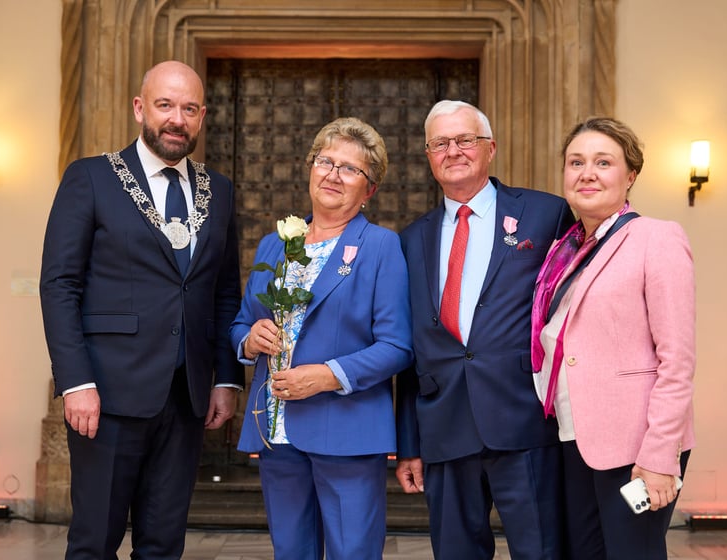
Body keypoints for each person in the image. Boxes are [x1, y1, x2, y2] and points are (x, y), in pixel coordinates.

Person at [39, 60, 243, 559]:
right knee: (94, 541)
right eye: (166, 105)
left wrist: (226, 378)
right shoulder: (91, 178)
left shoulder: (219, 191)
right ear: (139, 108)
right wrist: (76, 382)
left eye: (189, 108)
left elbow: (224, 292)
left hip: (186, 397)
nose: (178, 119)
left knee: (163, 544)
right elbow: (60, 284)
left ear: (201, 116)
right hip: (106, 395)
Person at [395, 99, 575, 559]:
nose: (453, 150)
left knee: (541, 550)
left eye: (465, 139)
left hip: (524, 419)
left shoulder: (546, 214)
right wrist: (409, 444)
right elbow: (410, 346)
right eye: (440, 143)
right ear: (429, 156)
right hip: (444, 426)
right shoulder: (411, 238)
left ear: (490, 148)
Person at [231, 117, 413, 560]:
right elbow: (240, 323)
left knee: (353, 553)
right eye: (325, 161)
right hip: (276, 430)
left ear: (369, 190)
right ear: (310, 168)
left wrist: (329, 375)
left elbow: (397, 347)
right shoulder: (274, 244)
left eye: (350, 169)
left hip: (346, 429)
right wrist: (250, 340)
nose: (333, 174)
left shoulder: (380, 247)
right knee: (290, 552)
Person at [530, 117, 695, 559]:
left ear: (631, 175)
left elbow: (676, 361)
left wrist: (660, 456)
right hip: (573, 436)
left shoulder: (655, 238)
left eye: (603, 162)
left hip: (636, 444)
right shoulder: (563, 252)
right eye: (576, 162)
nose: (587, 173)